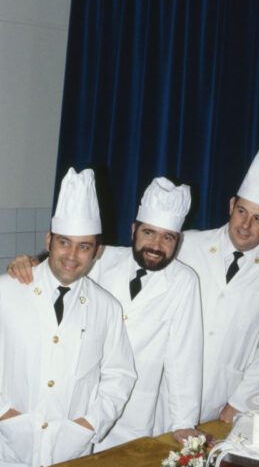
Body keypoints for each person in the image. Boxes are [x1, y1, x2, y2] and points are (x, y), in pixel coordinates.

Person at [0, 168, 136, 467]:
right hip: (7, 453)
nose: (71, 256)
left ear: (97, 252)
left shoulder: (105, 307)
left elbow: (119, 377)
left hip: (67, 453)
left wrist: (87, 425)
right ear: (48, 238)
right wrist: (6, 417)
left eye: (83, 247)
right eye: (63, 243)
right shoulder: (7, 290)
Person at [8, 177, 204, 448]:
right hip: (76, 409)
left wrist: (184, 422)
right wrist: (29, 263)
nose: (156, 245)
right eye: (148, 233)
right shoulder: (100, 259)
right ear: (133, 230)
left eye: (167, 237)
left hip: (136, 413)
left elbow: (185, 355)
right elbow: (61, 268)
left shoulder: (184, 281)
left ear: (178, 241)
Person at [178, 128, 259, 424]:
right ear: (231, 205)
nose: (245, 224)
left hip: (225, 400)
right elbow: (135, 261)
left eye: (258, 219)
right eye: (242, 211)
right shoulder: (188, 244)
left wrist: (237, 404)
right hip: (169, 390)